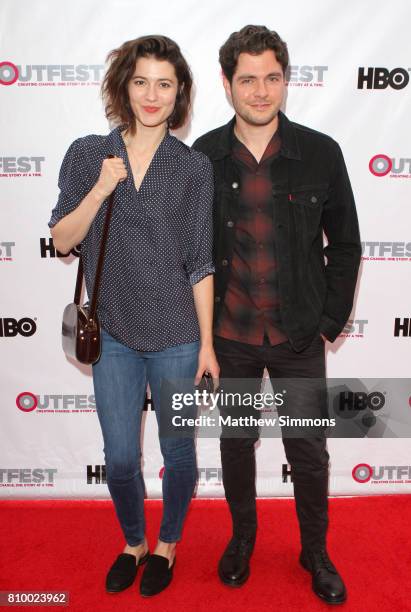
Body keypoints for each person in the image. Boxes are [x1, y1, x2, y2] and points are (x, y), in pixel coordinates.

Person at [193, 25, 361, 604]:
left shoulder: (320, 151)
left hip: (298, 336)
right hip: (231, 336)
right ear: (227, 84)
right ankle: (242, 539)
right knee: (236, 444)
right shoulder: (203, 157)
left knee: (309, 451)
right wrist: (199, 334)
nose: (260, 91)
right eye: (248, 79)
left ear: (286, 80)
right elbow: (188, 254)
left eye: (271, 78)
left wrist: (326, 322)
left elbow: (344, 245)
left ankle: (315, 550)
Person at [49, 35, 219, 598]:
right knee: (120, 454)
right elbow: (62, 240)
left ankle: (167, 543)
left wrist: (209, 345)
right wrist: (100, 189)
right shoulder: (85, 153)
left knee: (177, 452)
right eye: (141, 81)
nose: (151, 94)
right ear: (124, 86)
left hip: (176, 334)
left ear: (179, 94)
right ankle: (134, 543)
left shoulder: (193, 168)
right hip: (114, 333)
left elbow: (200, 261)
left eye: (164, 84)